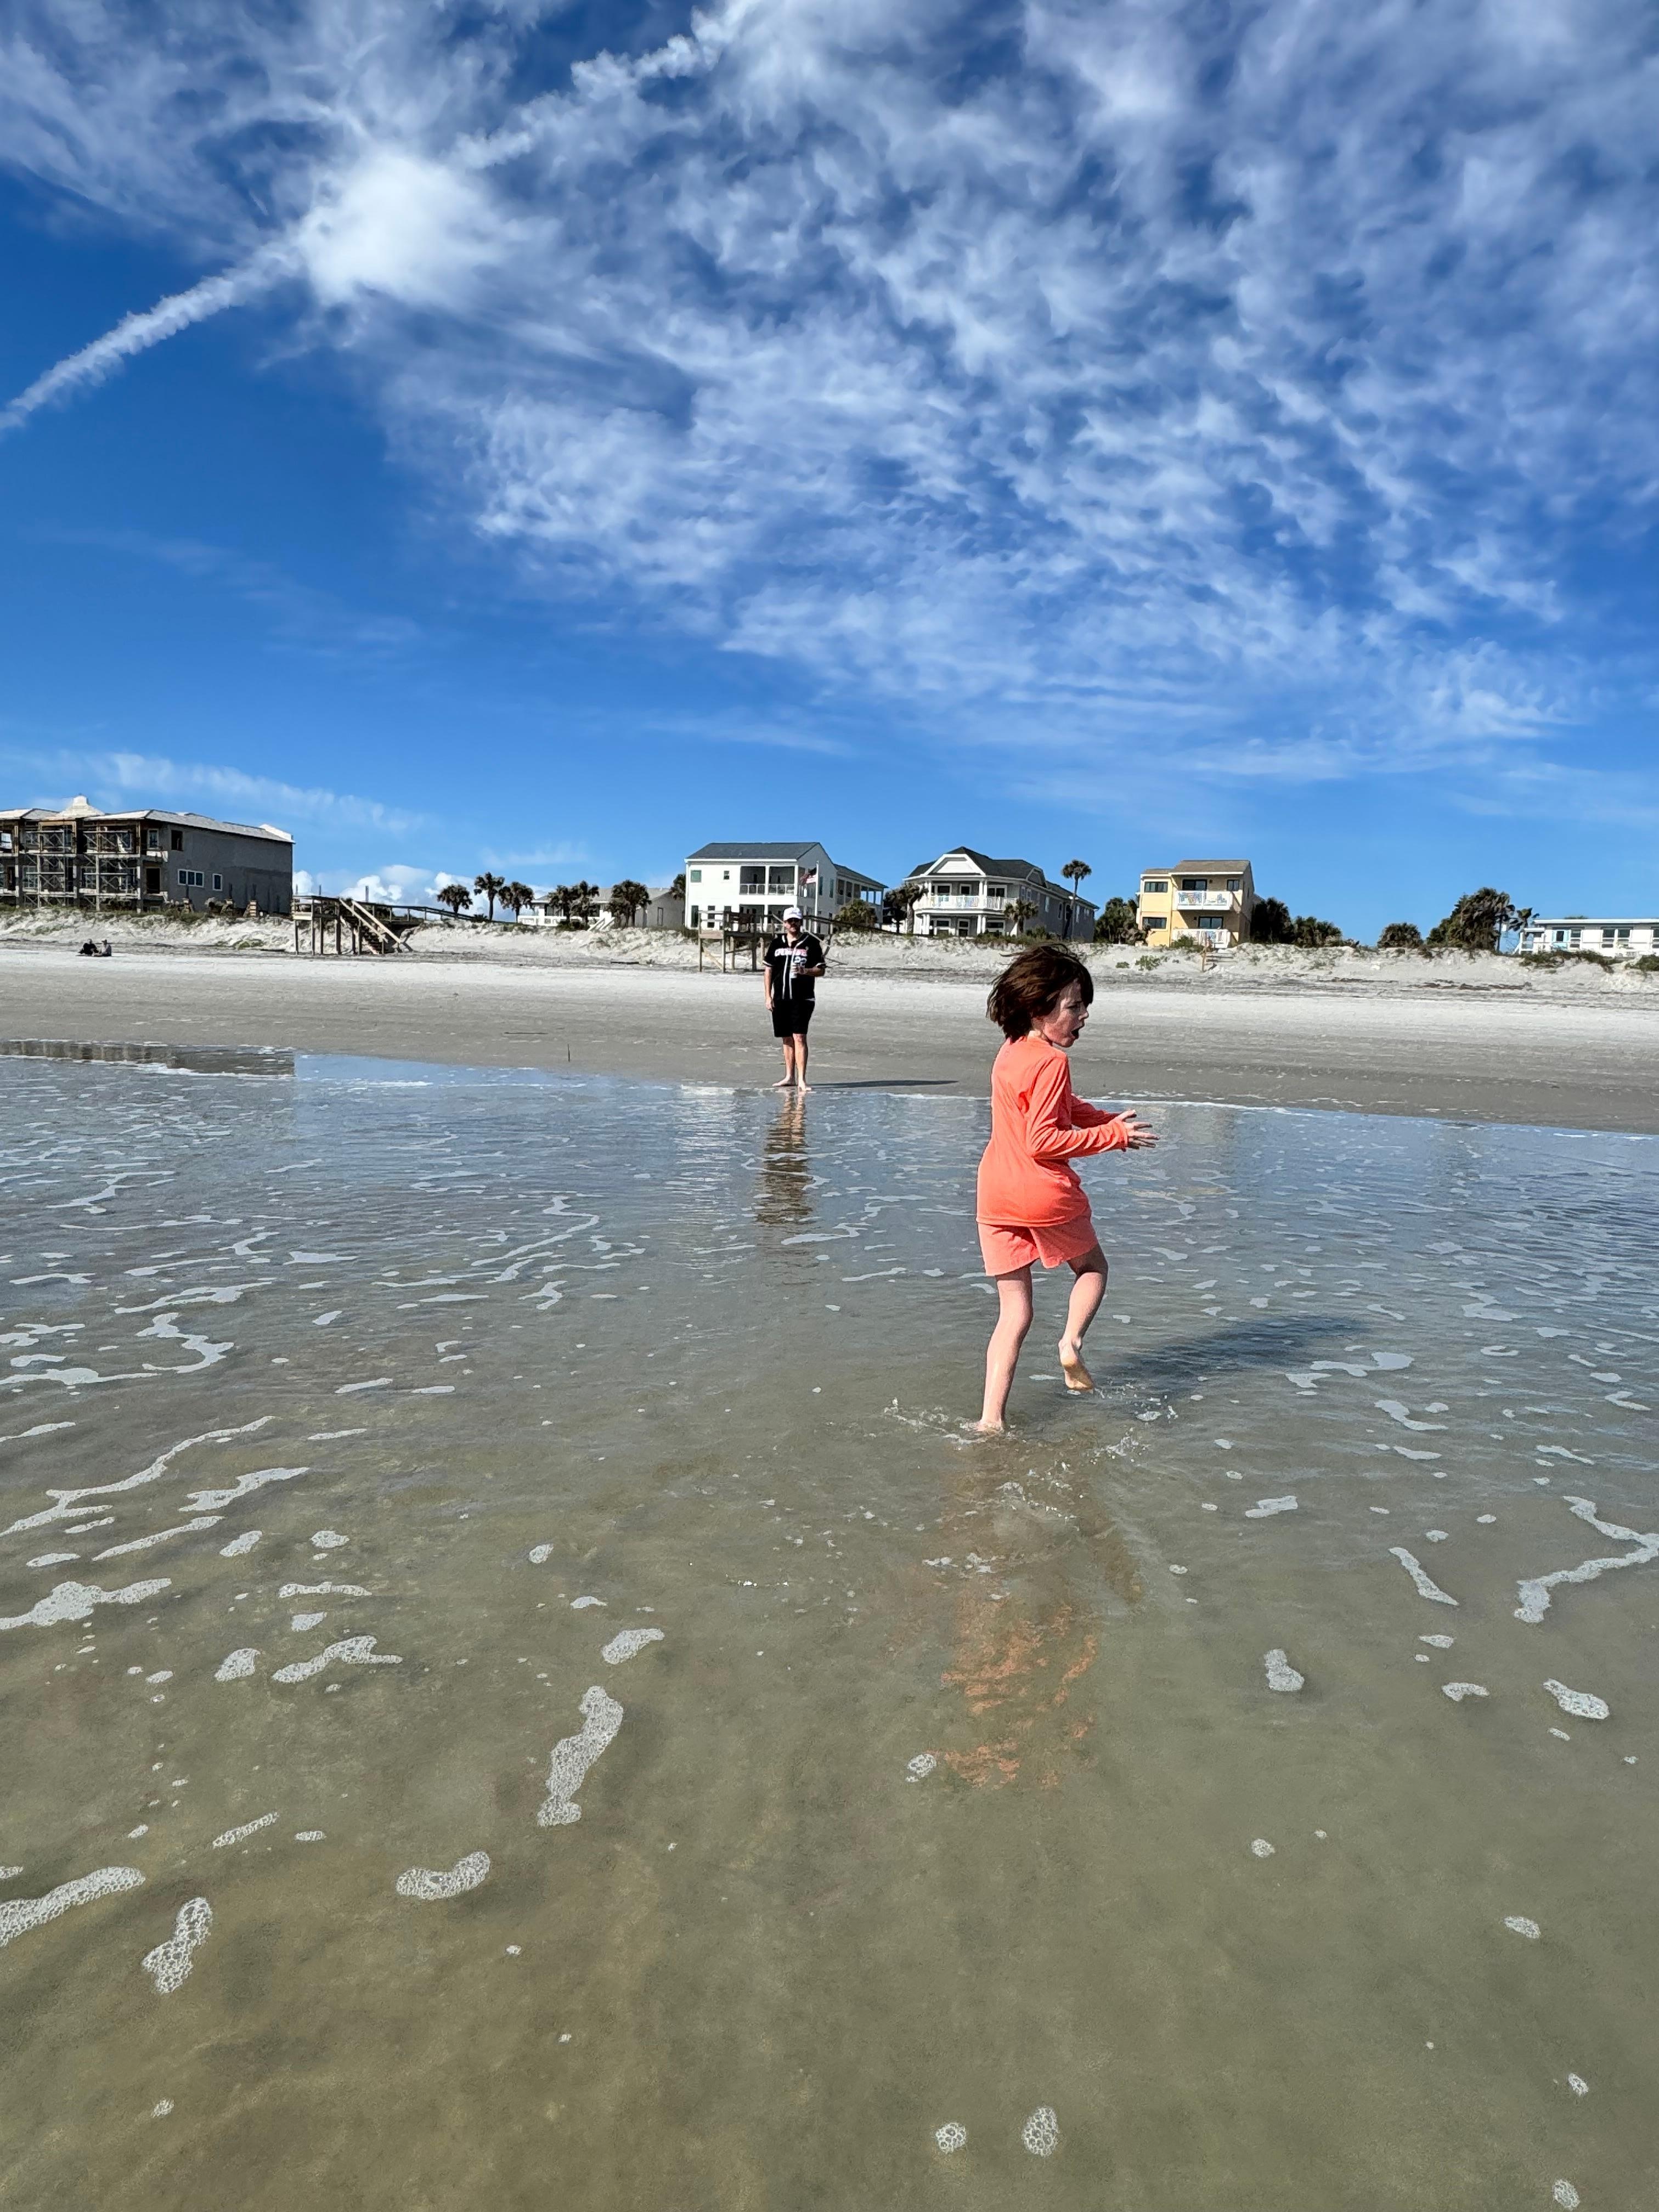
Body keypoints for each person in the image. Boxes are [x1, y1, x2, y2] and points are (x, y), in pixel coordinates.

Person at [973, 944, 1156, 1431]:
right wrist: (1113, 1136)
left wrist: (1101, 1118)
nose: (1083, 1015)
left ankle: (991, 1420)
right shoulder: (1052, 1061)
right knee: (1093, 1267)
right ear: (1039, 1007)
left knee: (1013, 1313)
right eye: (1074, 1006)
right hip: (1042, 1193)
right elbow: (1044, 1138)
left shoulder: (1012, 1049)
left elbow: (1057, 1107)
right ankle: (1071, 1343)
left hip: (995, 1193)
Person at [763, 906, 826, 1091]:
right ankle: (789, 1076)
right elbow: (768, 970)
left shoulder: (811, 944)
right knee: (786, 1038)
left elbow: (821, 970)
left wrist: (805, 971)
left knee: (799, 1037)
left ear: (801, 922)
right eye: (790, 921)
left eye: (796, 921)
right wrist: (768, 996)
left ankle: (802, 1080)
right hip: (781, 998)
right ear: (784, 923)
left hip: (803, 998)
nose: (793, 924)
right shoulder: (777, 943)